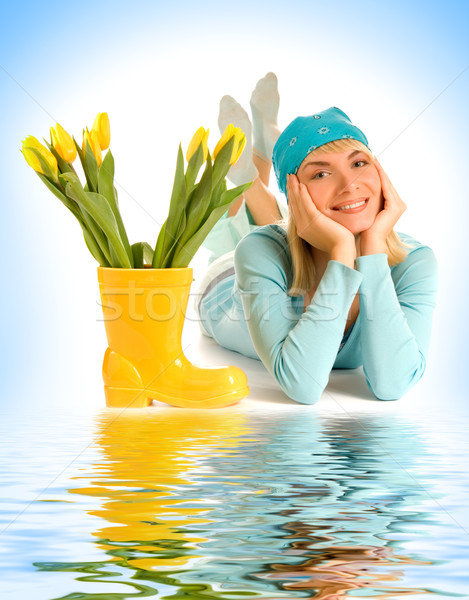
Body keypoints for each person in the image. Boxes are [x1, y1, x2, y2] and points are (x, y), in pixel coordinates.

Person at [194, 73, 438, 405]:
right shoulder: (257, 253)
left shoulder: (415, 260)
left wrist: (372, 251)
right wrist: (341, 250)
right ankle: (248, 178)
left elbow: (394, 384)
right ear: (296, 194)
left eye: (359, 162)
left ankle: (254, 165)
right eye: (321, 173)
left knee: (283, 236)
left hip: (285, 246)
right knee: (258, 240)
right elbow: (302, 385)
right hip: (226, 287)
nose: (350, 184)